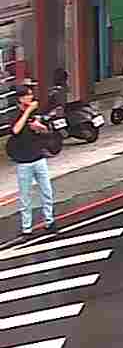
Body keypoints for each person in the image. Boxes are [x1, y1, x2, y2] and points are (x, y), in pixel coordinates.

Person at [7, 78, 58, 242]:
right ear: (21, 99)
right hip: (23, 162)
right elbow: (15, 130)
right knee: (25, 196)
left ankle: (49, 221)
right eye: (28, 95)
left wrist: (41, 128)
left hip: (38, 158)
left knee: (46, 191)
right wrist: (27, 111)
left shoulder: (34, 114)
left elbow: (44, 130)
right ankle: (26, 228)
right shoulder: (15, 115)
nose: (31, 98)